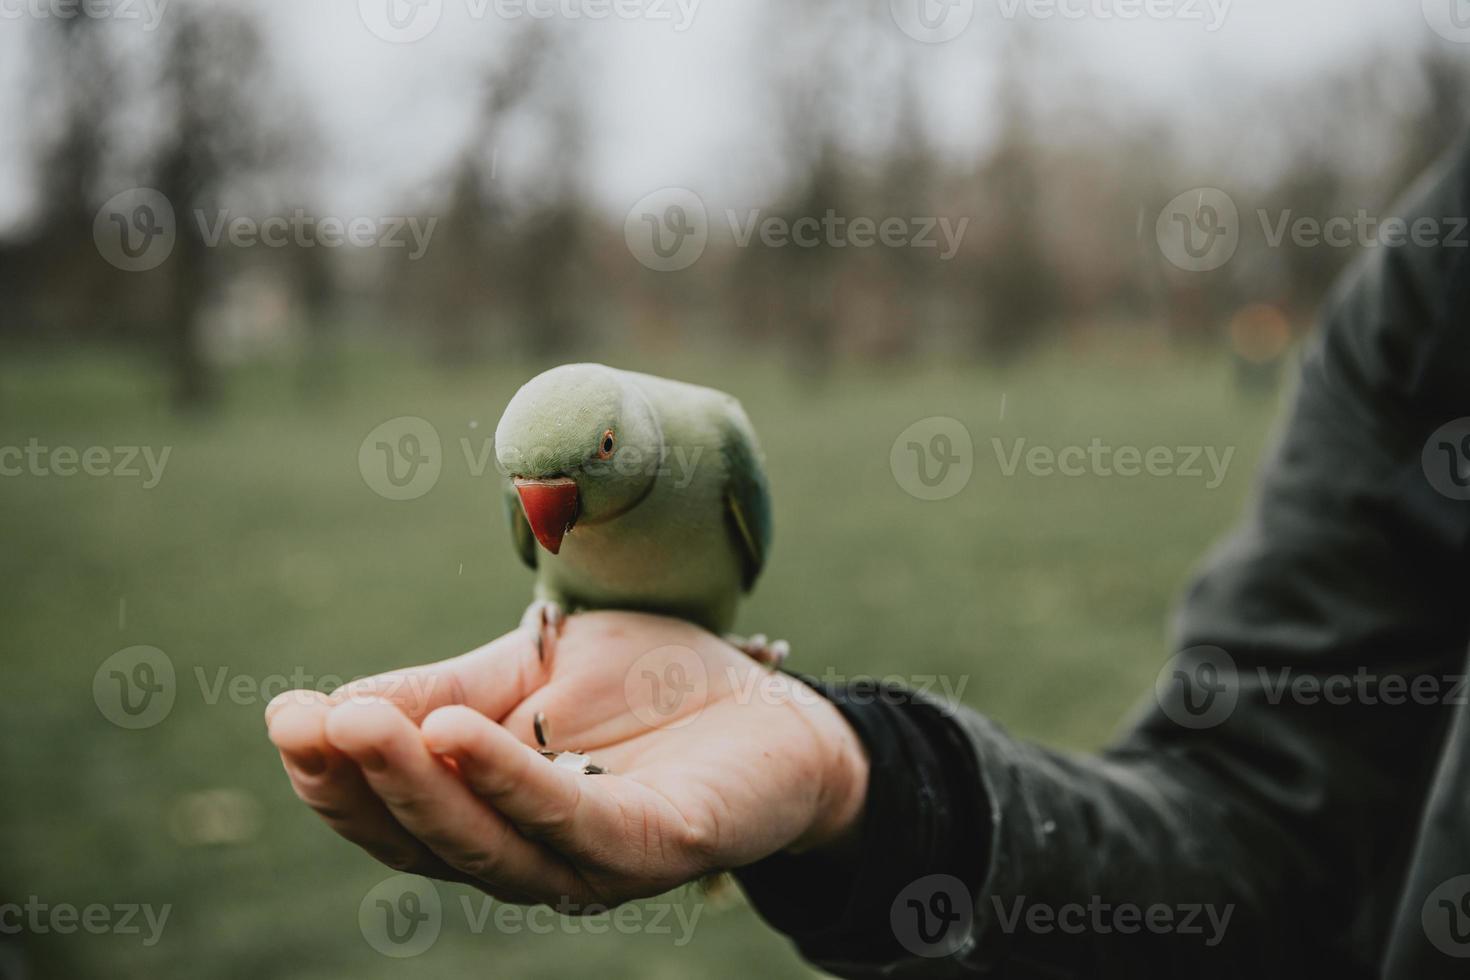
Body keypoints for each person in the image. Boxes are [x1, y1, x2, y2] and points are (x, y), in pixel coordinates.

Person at [266, 138, 1470, 979]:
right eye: (531, 499)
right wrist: (863, 782)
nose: (547, 511)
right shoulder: (1435, 286)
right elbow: (1270, 840)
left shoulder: (721, 441)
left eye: (573, 472)